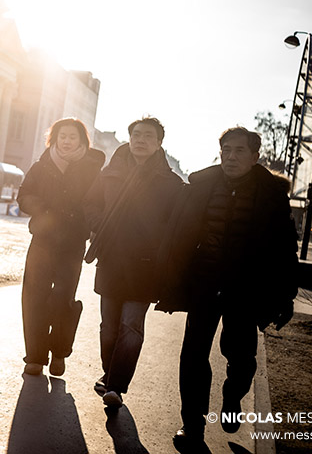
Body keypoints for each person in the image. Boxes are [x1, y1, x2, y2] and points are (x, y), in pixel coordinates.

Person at [156, 127, 298, 453]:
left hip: (245, 290)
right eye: (226, 150)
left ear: (254, 156)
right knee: (193, 356)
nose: (231, 157)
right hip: (203, 284)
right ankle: (192, 426)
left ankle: (232, 396)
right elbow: (178, 232)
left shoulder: (272, 196)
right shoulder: (201, 187)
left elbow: (284, 249)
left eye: (239, 151)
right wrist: (169, 274)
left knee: (241, 357)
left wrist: (284, 295)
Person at [83, 116, 183, 407]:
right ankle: (109, 374)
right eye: (136, 134)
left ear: (159, 143)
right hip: (112, 259)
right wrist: (99, 222)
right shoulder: (110, 172)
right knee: (108, 327)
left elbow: (174, 225)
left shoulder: (170, 183)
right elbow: (90, 202)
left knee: (131, 326)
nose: (140, 140)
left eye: (148, 136)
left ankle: (115, 386)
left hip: (145, 265)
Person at [17, 117, 105, 377]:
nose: (66, 141)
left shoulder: (91, 169)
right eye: (62, 136)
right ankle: (35, 356)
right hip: (42, 241)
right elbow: (23, 196)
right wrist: (42, 209)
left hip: (73, 243)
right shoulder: (41, 165)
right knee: (34, 297)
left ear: (81, 141)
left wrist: (87, 222)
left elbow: (98, 202)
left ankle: (59, 351)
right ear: (54, 138)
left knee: (63, 299)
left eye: (72, 137)